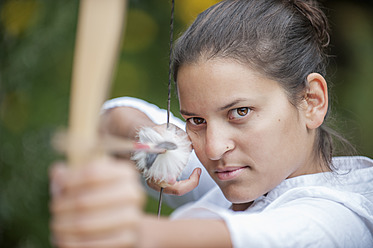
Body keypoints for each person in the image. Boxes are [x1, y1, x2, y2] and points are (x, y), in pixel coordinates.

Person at [50, 0, 373, 247]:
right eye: (196, 120)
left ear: (311, 101)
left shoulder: (340, 220)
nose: (213, 148)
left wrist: (127, 231)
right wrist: (153, 144)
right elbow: (116, 116)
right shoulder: (245, 177)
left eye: (240, 112)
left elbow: (261, 236)